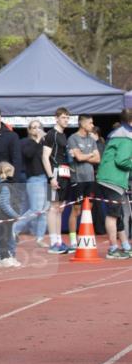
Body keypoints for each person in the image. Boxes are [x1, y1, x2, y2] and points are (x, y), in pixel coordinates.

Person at [96, 109, 132, 259]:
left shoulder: (119, 133)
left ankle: (125, 246)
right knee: (113, 214)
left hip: (111, 178)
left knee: (119, 213)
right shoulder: (127, 137)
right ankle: (112, 249)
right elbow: (122, 160)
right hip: (112, 179)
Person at [66, 114, 100, 249]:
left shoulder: (92, 140)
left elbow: (98, 159)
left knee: (88, 210)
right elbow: (78, 158)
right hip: (78, 179)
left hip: (90, 178)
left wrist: (86, 156)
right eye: (90, 123)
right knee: (76, 210)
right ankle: (73, 240)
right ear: (82, 123)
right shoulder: (73, 138)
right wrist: (90, 155)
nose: (92, 126)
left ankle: (84, 237)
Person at [41, 107, 72, 254]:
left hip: (64, 173)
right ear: (57, 118)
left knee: (59, 209)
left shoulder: (63, 135)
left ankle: (59, 241)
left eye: (67, 118)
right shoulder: (51, 135)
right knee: (53, 208)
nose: (66, 120)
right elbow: (45, 157)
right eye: (64, 117)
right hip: (54, 173)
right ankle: (53, 242)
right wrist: (51, 177)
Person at [15, 119, 48, 243]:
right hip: (34, 179)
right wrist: (38, 140)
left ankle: (40, 238)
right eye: (33, 127)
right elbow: (28, 154)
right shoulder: (25, 142)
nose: (36, 129)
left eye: (38, 127)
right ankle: (14, 229)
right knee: (35, 209)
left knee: (44, 210)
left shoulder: (45, 142)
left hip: (47, 179)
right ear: (29, 130)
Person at [0, 162, 21, 268]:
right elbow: (4, 204)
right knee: (8, 238)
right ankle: (7, 258)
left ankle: (3, 257)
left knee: (0, 239)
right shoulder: (5, 186)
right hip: (4, 218)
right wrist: (15, 215)